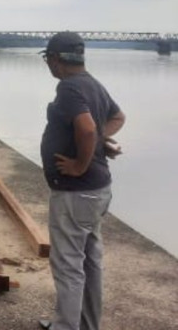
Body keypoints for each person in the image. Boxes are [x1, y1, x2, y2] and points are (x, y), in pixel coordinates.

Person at [38, 32, 125, 330]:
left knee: (67, 265)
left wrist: (78, 164)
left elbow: (87, 129)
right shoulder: (93, 84)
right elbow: (117, 117)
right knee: (89, 261)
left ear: (55, 59)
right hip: (97, 191)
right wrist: (100, 142)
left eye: (48, 59)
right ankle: (86, 324)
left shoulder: (70, 88)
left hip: (76, 192)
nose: (48, 65)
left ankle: (65, 327)